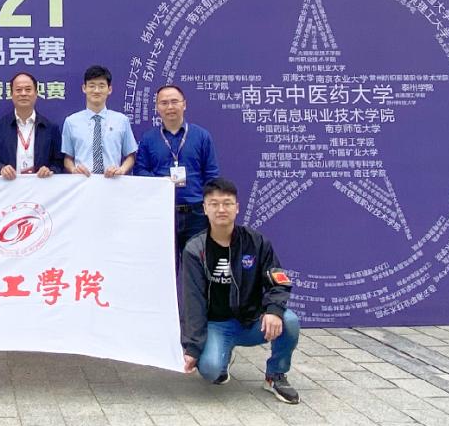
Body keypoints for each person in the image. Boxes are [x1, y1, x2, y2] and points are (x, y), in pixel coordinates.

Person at [180, 178, 301, 404]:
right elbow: (192, 302)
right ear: (205, 209)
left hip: (251, 321)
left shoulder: (256, 242)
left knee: (290, 321)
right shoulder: (195, 249)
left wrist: (273, 311)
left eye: (227, 203)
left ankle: (275, 375)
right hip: (216, 325)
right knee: (210, 370)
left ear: (237, 208)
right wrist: (192, 348)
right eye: (214, 204)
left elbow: (279, 281)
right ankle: (222, 356)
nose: (221, 209)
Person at [134, 84, 220, 265]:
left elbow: (211, 174)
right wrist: (160, 183)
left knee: (198, 267)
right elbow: (140, 171)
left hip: (196, 214)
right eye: (164, 103)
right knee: (164, 267)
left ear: (184, 104)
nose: (170, 107)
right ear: (157, 107)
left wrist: (208, 207)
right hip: (162, 212)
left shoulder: (201, 136)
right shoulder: (148, 139)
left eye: (174, 101)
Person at [0, 72, 64, 179]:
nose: (23, 93)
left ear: (36, 94)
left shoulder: (50, 128)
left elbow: (59, 161)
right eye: (18, 90)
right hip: (7, 185)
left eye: (28, 89)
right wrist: (0, 169)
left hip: (40, 185)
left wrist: (50, 170)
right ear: (11, 94)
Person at [61, 65, 137, 177]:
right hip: (83, 182)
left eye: (101, 86)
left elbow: (131, 156)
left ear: (109, 89)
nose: (96, 91)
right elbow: (68, 157)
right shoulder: (71, 121)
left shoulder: (121, 120)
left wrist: (122, 170)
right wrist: (73, 169)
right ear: (84, 88)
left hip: (112, 181)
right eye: (92, 86)